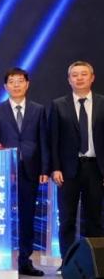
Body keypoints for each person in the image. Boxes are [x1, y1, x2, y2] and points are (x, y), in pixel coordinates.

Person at [0, 67, 48, 276]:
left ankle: (24, 261)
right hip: (3, 173)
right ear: (5, 86)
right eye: (12, 81)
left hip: (30, 170)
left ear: (27, 84)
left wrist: (44, 168)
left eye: (20, 80)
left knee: (27, 217)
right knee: (1, 216)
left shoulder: (38, 110)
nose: (16, 85)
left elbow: (44, 141)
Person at [50, 61, 104, 258]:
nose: (79, 78)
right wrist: (55, 168)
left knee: (95, 218)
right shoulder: (58, 105)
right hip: (67, 170)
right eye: (75, 75)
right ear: (69, 80)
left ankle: (94, 263)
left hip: (96, 168)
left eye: (83, 74)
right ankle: (67, 262)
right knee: (67, 220)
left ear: (92, 77)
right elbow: (53, 139)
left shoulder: (102, 103)